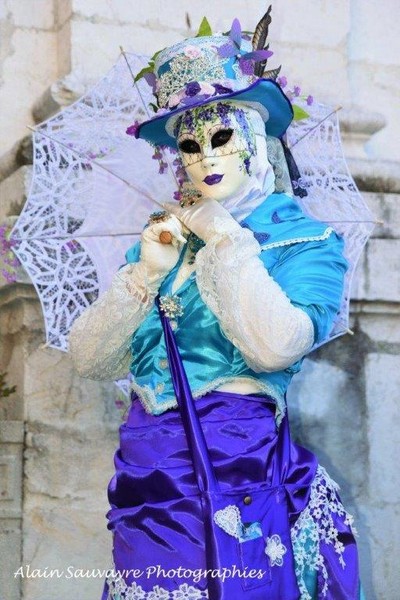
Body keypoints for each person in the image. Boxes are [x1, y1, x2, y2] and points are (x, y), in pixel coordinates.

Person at [69, 15, 364, 600]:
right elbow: (90, 359)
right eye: (189, 143)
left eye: (222, 137)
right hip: (146, 479)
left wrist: (228, 241)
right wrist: (143, 277)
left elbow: (275, 346)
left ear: (254, 142)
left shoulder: (306, 243)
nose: (205, 155)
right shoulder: (159, 242)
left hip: (237, 468)